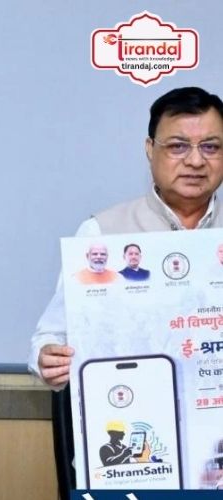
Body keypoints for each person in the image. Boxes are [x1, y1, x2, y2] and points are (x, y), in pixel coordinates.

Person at [31, 87, 223, 390]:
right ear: (150, 149)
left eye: (211, 147)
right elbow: (52, 336)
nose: (196, 161)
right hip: (134, 403)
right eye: (178, 146)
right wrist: (47, 358)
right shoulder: (102, 233)